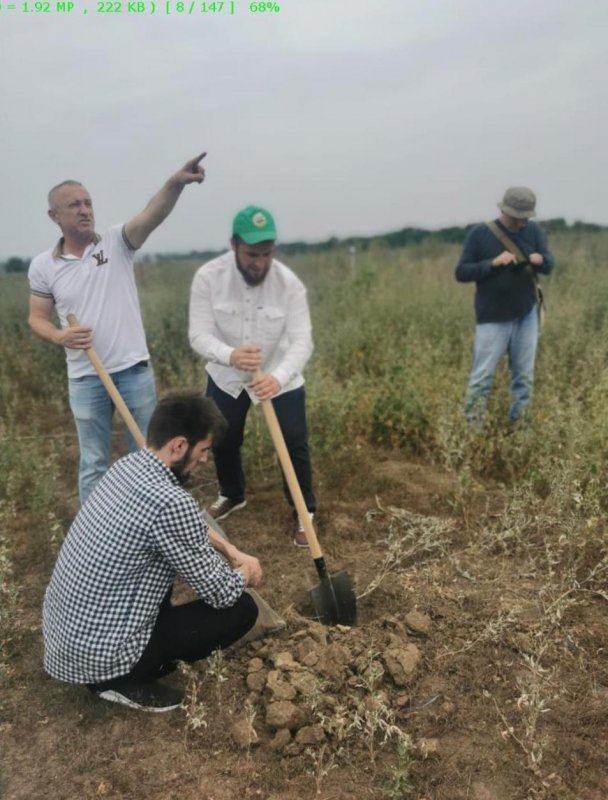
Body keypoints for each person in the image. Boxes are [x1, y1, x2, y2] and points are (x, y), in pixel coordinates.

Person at [42, 391, 262, 713]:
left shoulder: (128, 467)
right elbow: (222, 593)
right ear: (179, 446)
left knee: (159, 564)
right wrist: (247, 570)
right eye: (202, 450)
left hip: (69, 639)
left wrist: (228, 548)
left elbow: (183, 527)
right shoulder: (172, 503)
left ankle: (120, 660)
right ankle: (121, 679)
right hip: (100, 655)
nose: (204, 459)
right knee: (242, 608)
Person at [28, 153, 207, 504]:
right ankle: (92, 538)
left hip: (132, 371)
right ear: (54, 216)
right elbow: (37, 318)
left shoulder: (116, 242)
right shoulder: (43, 266)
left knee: (149, 455)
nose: (84, 210)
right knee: (94, 462)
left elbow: (151, 214)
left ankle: (152, 523)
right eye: (74, 205)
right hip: (84, 376)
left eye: (88, 203)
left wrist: (175, 183)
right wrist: (60, 336)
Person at [188, 206, 317, 547]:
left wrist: (278, 377)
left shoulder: (289, 284)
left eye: (266, 254)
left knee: (293, 442)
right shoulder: (208, 278)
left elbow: (303, 340)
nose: (260, 262)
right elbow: (198, 335)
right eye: (251, 254)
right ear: (233, 244)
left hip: (279, 373)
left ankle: (305, 511)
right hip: (227, 374)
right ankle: (232, 493)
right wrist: (229, 354)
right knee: (224, 437)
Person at [455, 186, 555, 424]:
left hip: (526, 314)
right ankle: (472, 430)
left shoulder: (534, 231)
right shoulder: (479, 234)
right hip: (493, 317)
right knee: (482, 378)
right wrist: (493, 263)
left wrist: (541, 260)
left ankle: (519, 428)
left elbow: (549, 264)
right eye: (518, 217)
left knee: (524, 377)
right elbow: (461, 272)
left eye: (526, 217)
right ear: (505, 212)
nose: (523, 222)